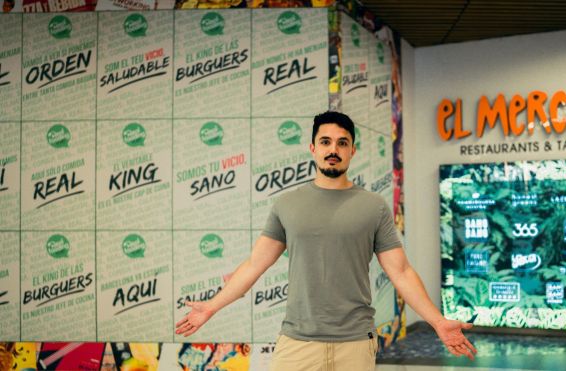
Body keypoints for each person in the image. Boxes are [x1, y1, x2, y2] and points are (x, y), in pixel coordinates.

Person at [175, 111, 477, 370]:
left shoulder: (373, 206)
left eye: (342, 143)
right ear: (312, 148)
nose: (334, 149)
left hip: (355, 344)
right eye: (326, 142)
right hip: (297, 343)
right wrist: (212, 306)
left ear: (352, 151)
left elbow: (401, 272)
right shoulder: (286, 205)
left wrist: (437, 321)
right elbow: (255, 265)